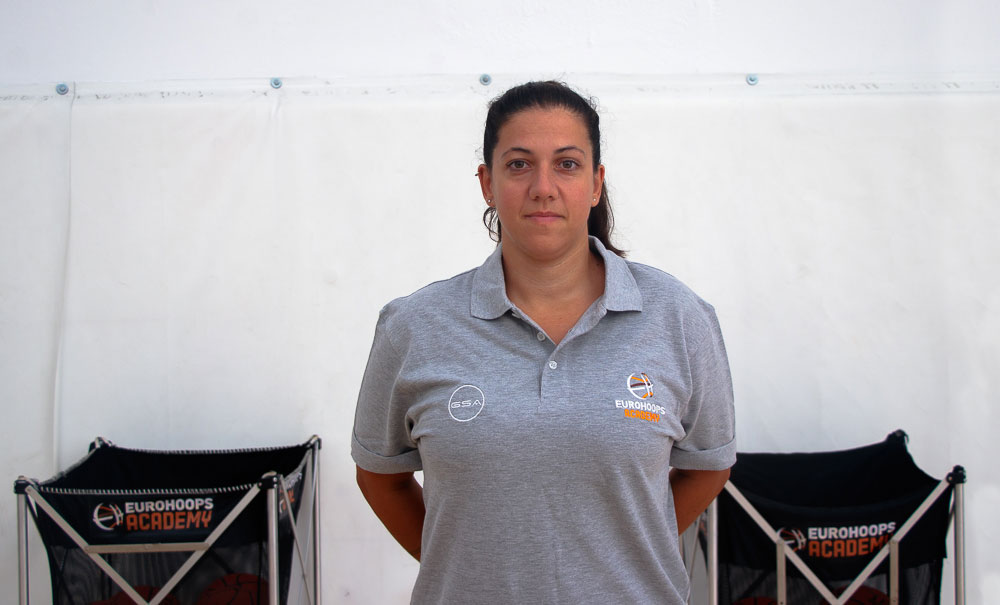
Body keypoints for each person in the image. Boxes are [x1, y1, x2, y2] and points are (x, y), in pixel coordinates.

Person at [351, 80, 736, 604]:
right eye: (518, 164)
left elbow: (708, 467)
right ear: (487, 183)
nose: (543, 187)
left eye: (567, 164)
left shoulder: (679, 317)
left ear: (596, 183)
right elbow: (380, 477)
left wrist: (623, 557)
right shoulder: (414, 326)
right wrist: (467, 568)